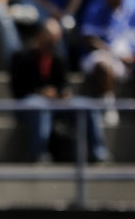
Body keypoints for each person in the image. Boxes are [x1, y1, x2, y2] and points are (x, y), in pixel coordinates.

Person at [10, 18, 108, 164]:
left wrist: (63, 92)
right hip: (31, 102)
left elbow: (63, 83)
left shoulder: (58, 58)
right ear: (40, 35)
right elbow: (18, 89)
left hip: (57, 103)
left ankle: (98, 154)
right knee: (39, 106)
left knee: (87, 106)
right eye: (50, 38)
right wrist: (40, 92)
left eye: (56, 38)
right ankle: (39, 155)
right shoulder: (21, 56)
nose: (53, 42)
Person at [80, 0, 135, 127]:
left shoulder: (134, 13)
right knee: (103, 65)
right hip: (104, 55)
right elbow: (88, 39)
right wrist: (116, 55)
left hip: (132, 60)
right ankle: (109, 106)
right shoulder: (95, 9)